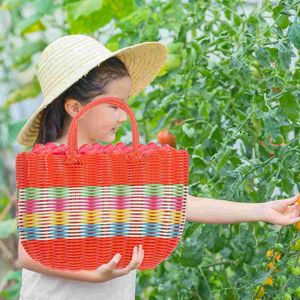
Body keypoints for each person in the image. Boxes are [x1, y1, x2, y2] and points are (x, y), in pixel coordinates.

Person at [16, 34, 300, 300]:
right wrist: (92, 276)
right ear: (75, 108)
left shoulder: (116, 164)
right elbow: (26, 253)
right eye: (114, 106)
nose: (123, 116)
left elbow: (178, 204)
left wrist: (262, 210)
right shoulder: (48, 167)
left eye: (124, 105)